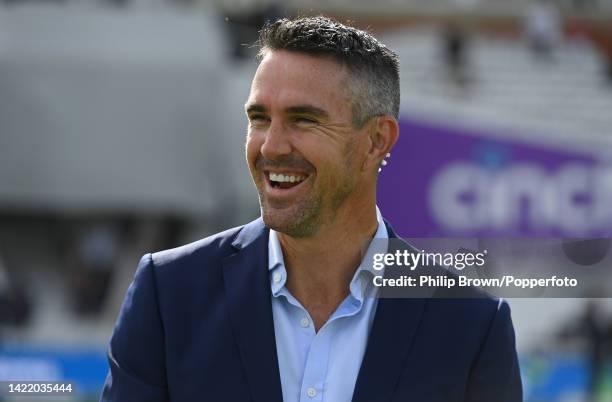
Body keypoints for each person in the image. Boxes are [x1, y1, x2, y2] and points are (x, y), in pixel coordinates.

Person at [100, 16, 522, 402]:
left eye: (304, 120)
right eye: (259, 118)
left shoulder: (471, 325)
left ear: (376, 141)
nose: (271, 146)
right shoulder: (168, 294)